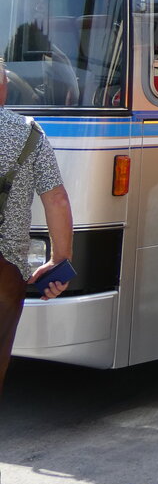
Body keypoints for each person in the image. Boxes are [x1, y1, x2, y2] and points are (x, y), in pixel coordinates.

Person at [0, 56, 74, 397]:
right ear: (4, 89)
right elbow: (56, 199)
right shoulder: (28, 132)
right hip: (6, 275)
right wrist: (61, 259)